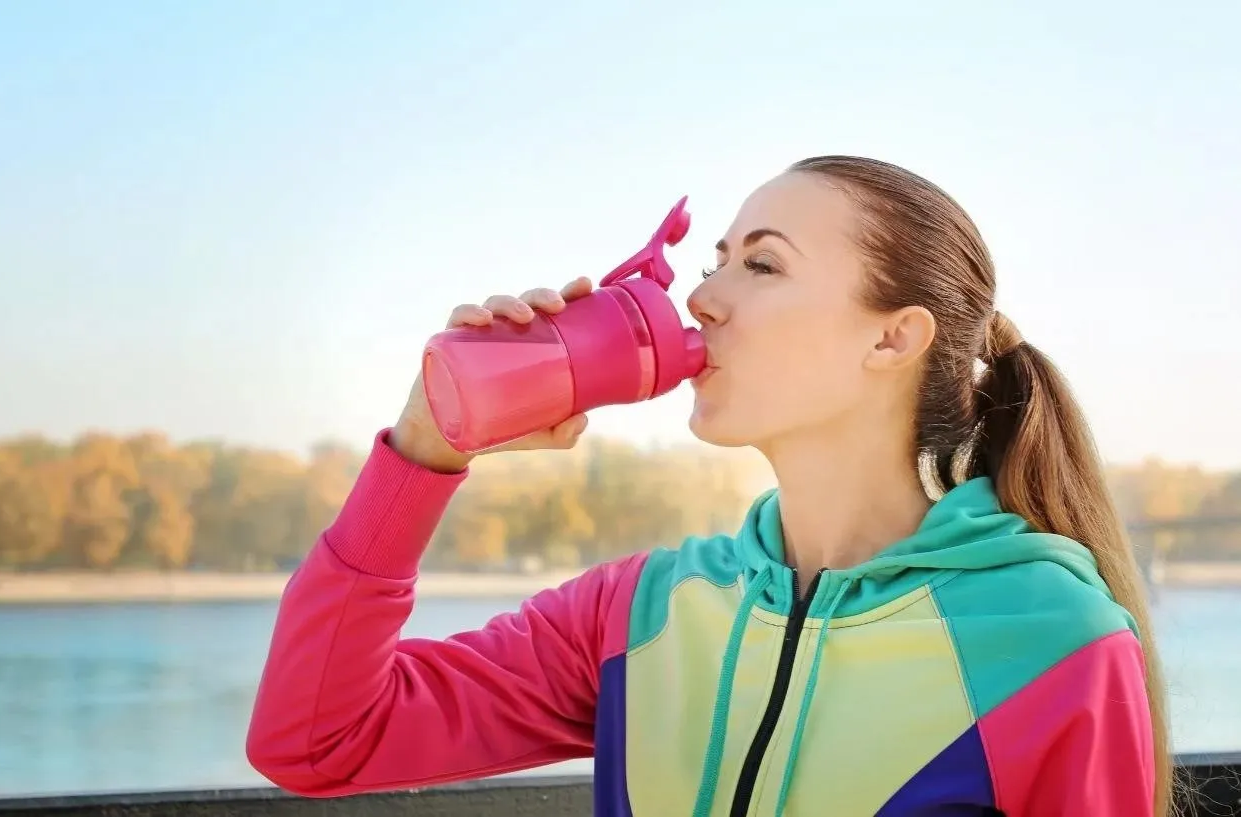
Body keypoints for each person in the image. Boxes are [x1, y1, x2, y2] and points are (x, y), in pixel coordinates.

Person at [245, 156, 1169, 817]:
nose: (702, 298)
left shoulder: (1055, 640)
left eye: (761, 264)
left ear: (893, 338)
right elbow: (316, 737)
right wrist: (424, 448)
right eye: (714, 260)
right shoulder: (637, 612)